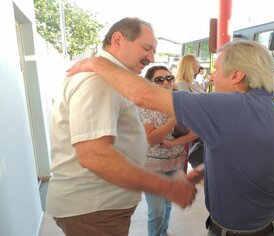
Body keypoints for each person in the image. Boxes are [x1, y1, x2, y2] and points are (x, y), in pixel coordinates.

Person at [67, 39, 274, 235]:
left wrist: (97, 62)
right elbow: (251, 157)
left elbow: (142, 95)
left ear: (237, 75)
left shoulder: (231, 106)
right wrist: (203, 171)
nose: (211, 78)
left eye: (216, 70)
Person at [46, 17, 196, 236]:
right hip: (94, 209)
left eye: (154, 51)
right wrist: (165, 186)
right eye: (146, 48)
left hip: (101, 207)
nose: (151, 58)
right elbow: (94, 155)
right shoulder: (97, 80)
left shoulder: (111, 76)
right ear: (117, 40)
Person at [140, 66, 197, 236]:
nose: (166, 82)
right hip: (152, 168)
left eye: (169, 78)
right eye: (159, 79)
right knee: (156, 211)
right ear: (149, 83)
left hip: (176, 163)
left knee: (168, 205)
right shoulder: (145, 106)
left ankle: (162, 233)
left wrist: (174, 143)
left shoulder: (181, 102)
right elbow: (151, 138)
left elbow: (196, 131)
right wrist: (174, 119)